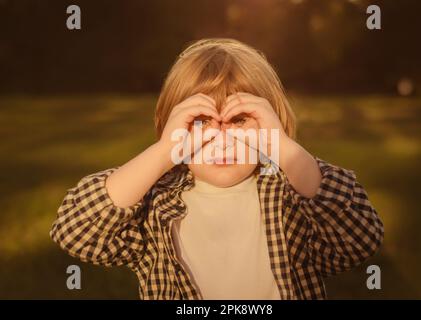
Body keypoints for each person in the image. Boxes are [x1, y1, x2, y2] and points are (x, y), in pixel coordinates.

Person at [50, 38, 384, 300]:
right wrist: (163, 153)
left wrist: (281, 148)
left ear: (272, 127)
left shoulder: (291, 198)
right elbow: (75, 230)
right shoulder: (155, 206)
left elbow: (360, 236)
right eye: (199, 122)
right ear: (170, 129)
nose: (221, 138)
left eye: (240, 120)